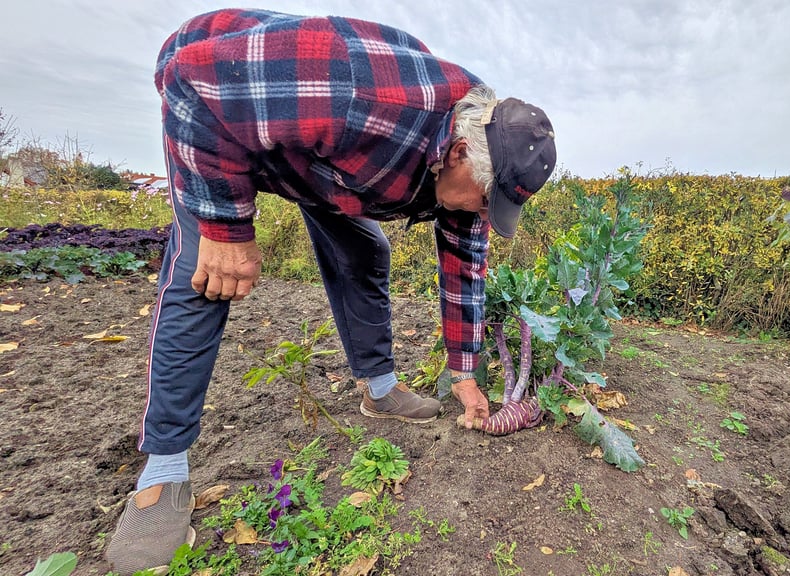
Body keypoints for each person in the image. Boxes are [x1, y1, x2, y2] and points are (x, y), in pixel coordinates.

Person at [105, 8, 556, 574]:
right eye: (486, 201)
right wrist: (226, 229)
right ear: (460, 153)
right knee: (209, 275)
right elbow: (194, 81)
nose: (483, 214)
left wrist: (464, 373)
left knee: (365, 251)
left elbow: (465, 271)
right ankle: (164, 472)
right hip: (219, 117)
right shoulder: (358, 90)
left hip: (319, 172)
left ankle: (380, 388)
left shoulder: (471, 166)